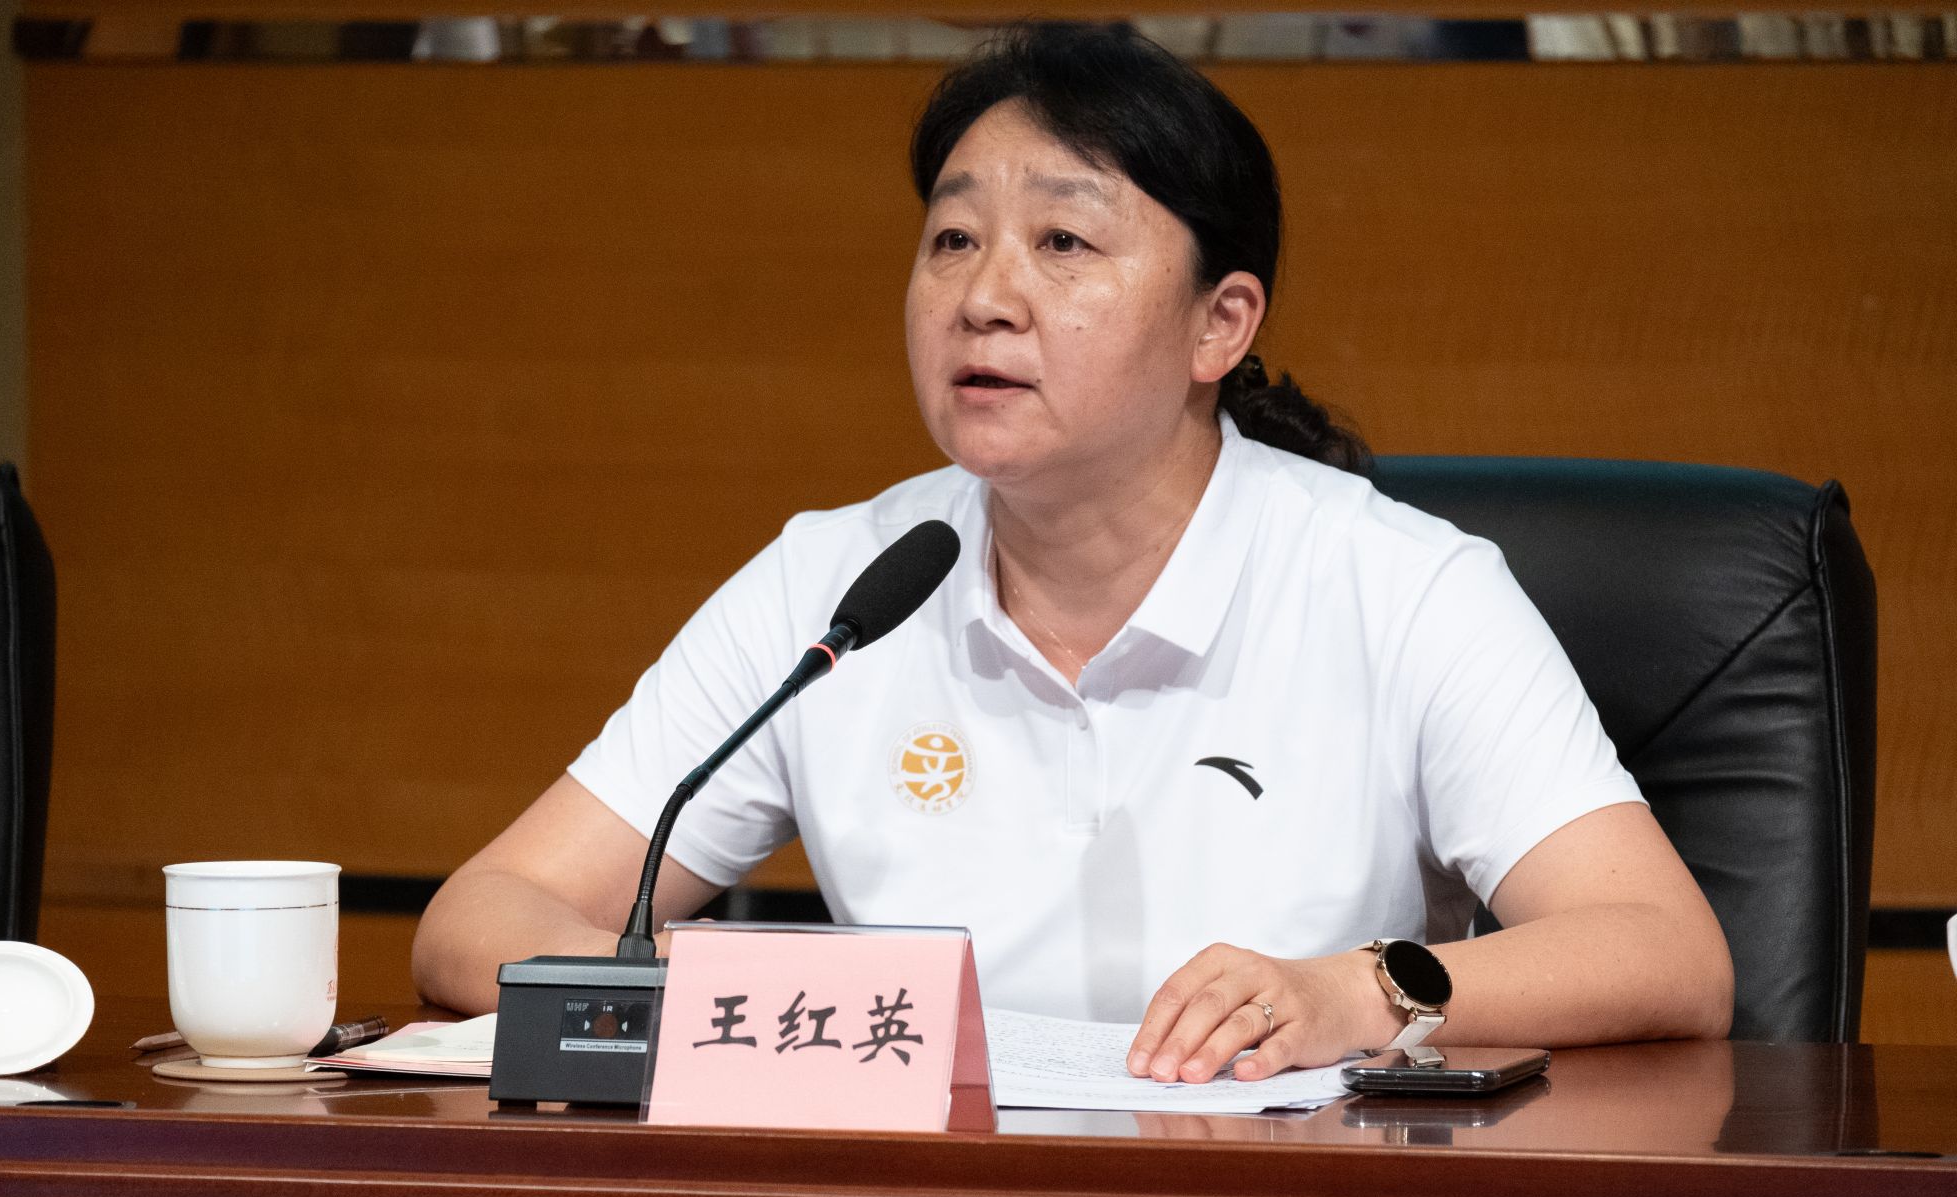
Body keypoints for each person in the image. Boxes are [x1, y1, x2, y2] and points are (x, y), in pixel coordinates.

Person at [412, 23, 1733, 1083]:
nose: (983, 297)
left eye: (1062, 241)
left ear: (1220, 325)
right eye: (952, 239)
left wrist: (1354, 992)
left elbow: (1665, 952)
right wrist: (729, 1002)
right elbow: (482, 918)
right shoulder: (839, 584)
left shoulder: (1398, 588)